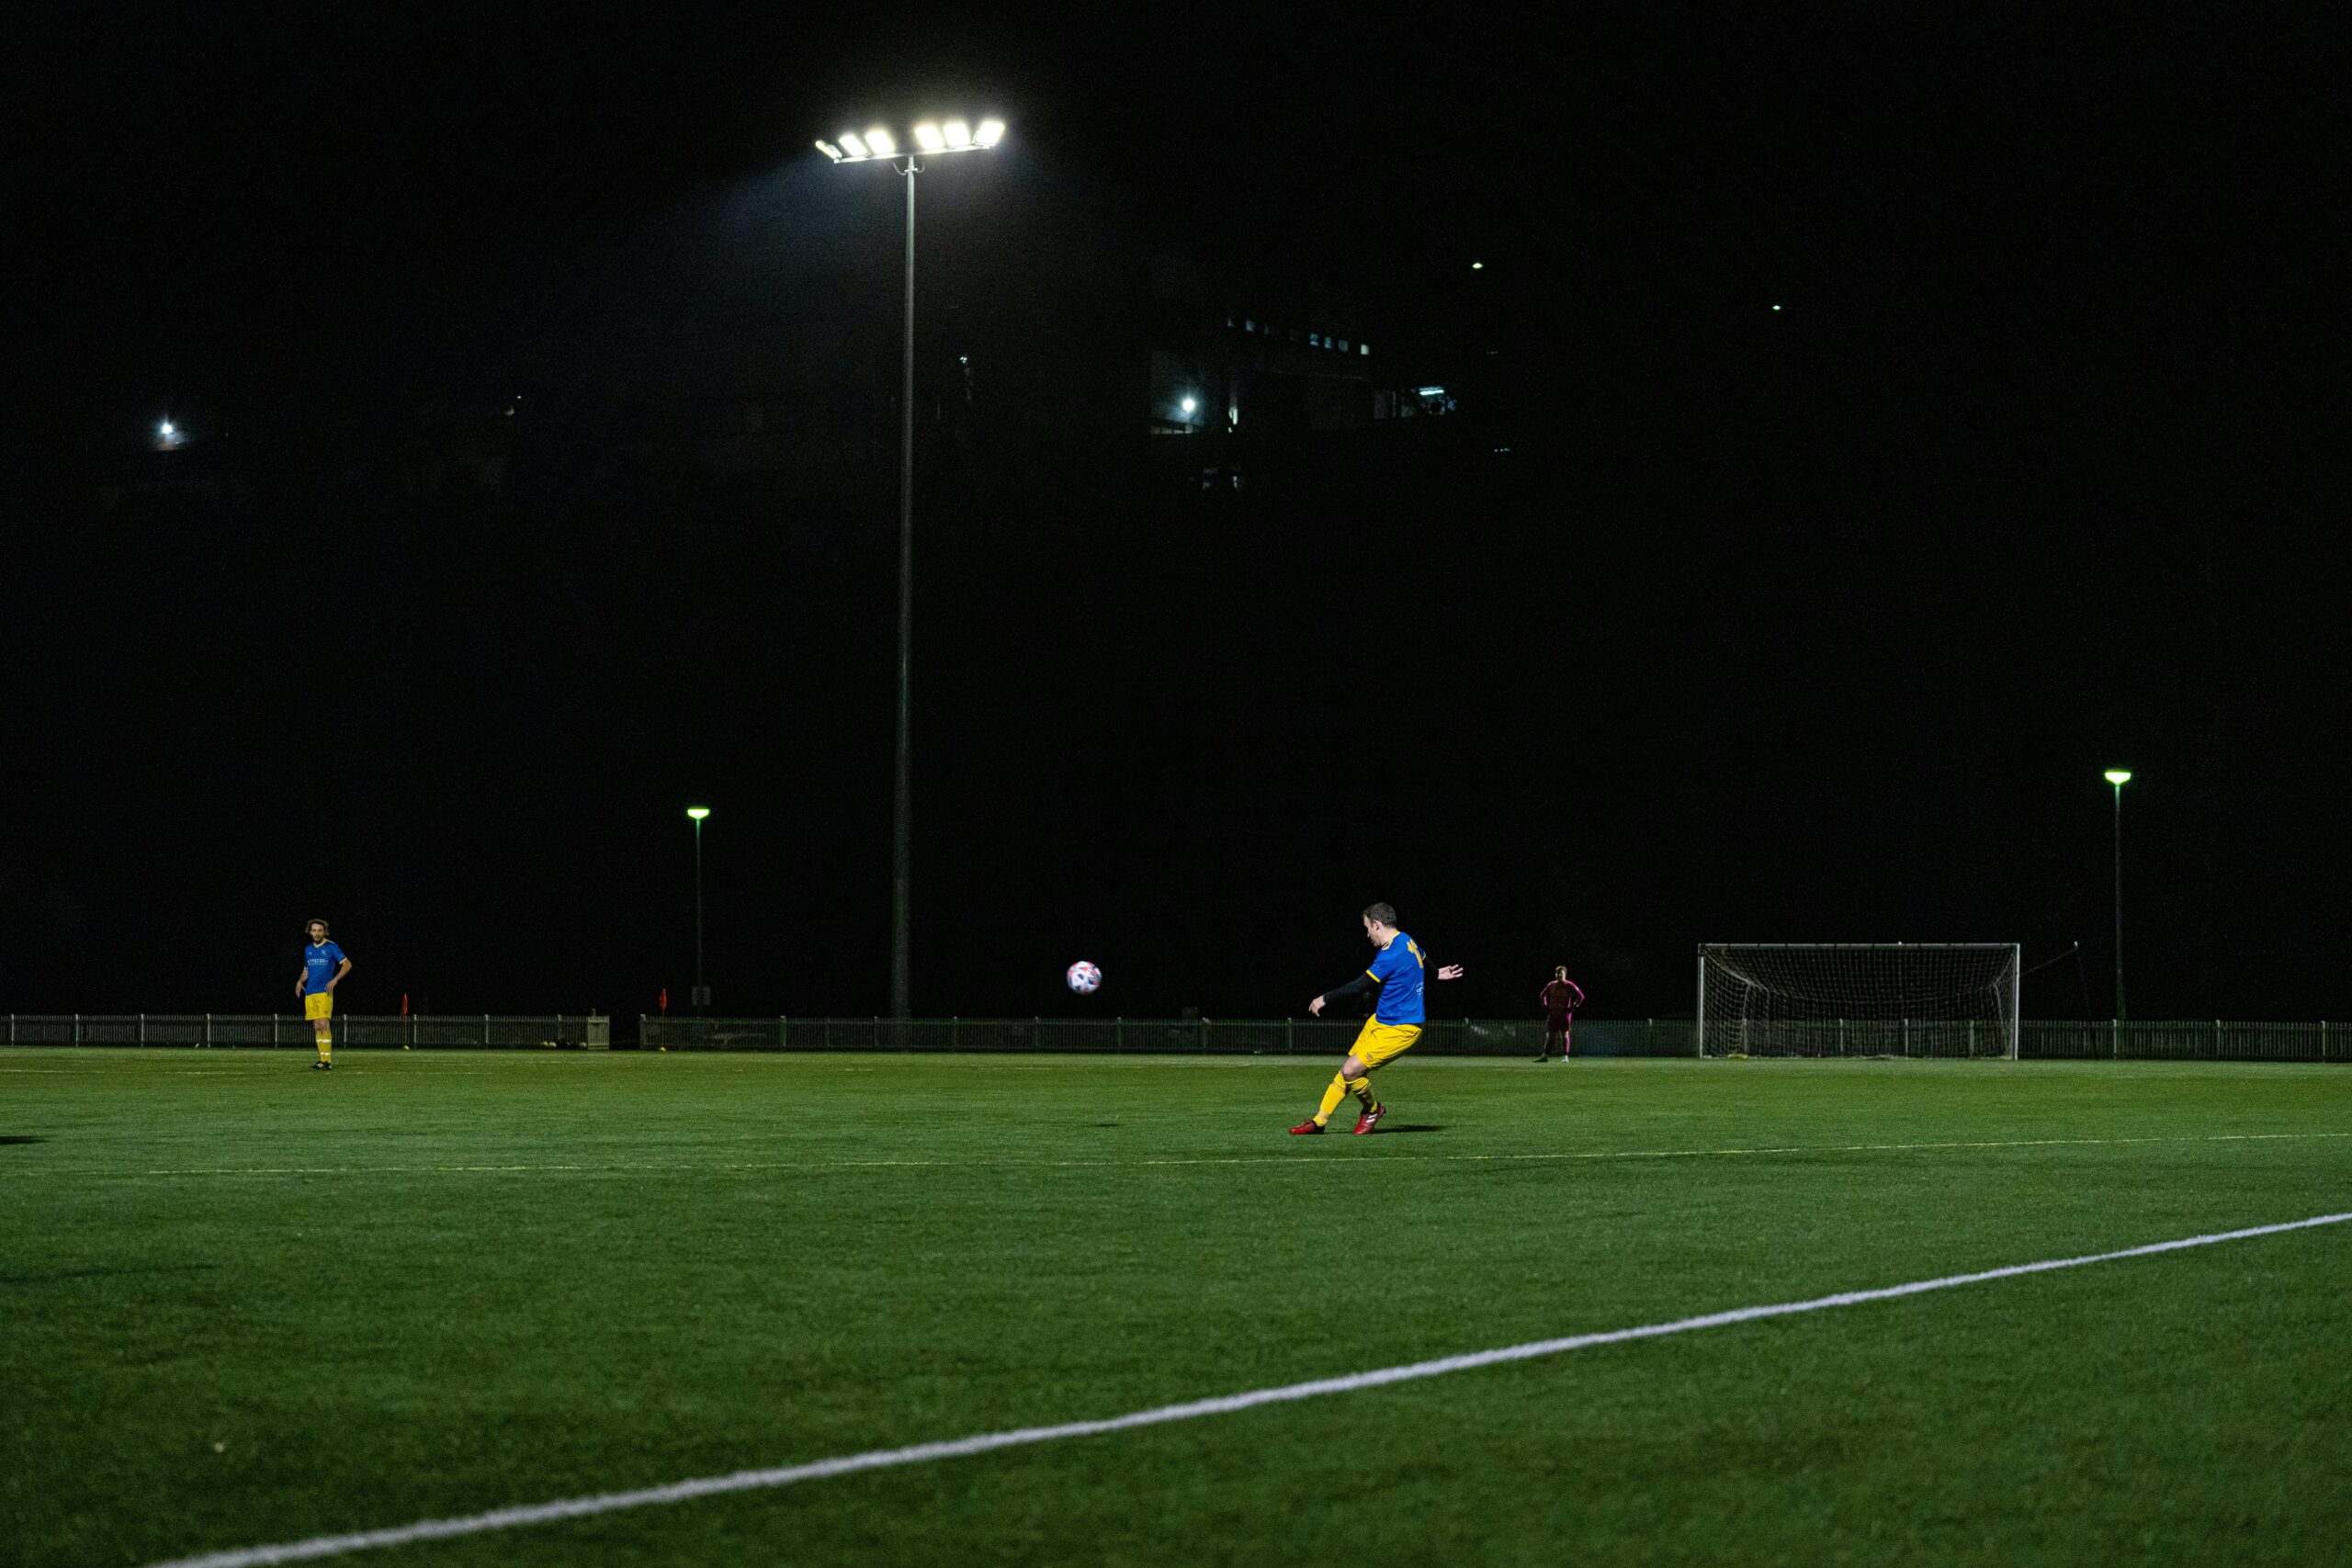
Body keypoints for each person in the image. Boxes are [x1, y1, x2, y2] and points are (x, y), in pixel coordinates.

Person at [1290, 903, 1464, 1135]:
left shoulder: (1391, 953)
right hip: (1379, 1021)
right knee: (1348, 1071)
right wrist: (1436, 972)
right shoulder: (1405, 939)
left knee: (1352, 1070)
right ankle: (1319, 1122)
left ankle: (1372, 1110)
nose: (1367, 935)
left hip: (1402, 1029)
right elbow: (1422, 954)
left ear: (1377, 925)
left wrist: (1325, 998)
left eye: (1368, 929)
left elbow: (1360, 985)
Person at [295, 919, 351, 1069]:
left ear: (324, 931)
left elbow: (347, 964)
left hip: (324, 992)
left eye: (320, 930)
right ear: (310, 932)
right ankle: (322, 1060)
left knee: (324, 1024)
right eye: (314, 930)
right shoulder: (308, 949)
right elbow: (307, 969)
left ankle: (328, 1061)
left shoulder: (331, 947)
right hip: (310, 992)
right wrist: (299, 982)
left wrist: (335, 979)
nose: (317, 933)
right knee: (317, 1026)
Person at [1535, 966, 1586, 1061]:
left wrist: (1573, 1006)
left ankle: (1565, 1057)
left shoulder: (1570, 985)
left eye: (1560, 973)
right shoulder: (1551, 985)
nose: (1558, 975)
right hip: (1553, 1014)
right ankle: (1545, 1056)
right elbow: (1542, 995)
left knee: (1565, 1035)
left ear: (1565, 974)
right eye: (1557, 973)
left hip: (1564, 1015)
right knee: (1550, 1036)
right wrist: (1545, 1006)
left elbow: (1581, 996)